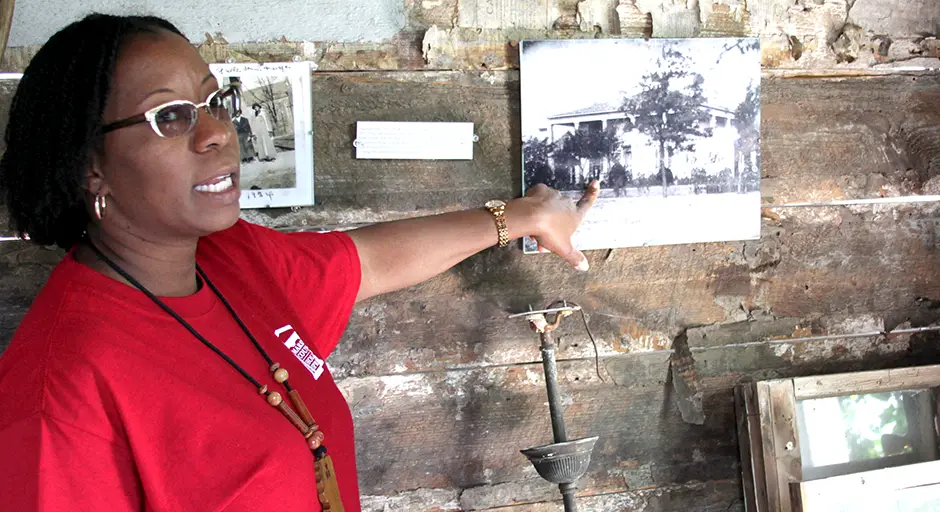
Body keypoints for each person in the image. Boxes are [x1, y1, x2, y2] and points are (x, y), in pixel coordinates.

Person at [0, 13, 598, 512]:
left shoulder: (229, 258)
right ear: (89, 165)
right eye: (171, 116)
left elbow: (369, 260)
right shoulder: (60, 396)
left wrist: (525, 216)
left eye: (213, 101)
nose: (216, 133)